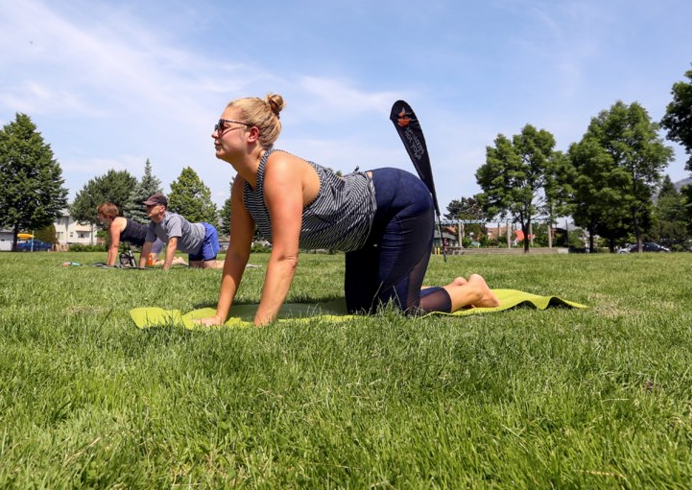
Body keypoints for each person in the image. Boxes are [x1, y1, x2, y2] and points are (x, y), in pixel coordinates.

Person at [198, 93, 500, 327]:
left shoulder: (279, 170)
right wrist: (219, 316)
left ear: (251, 133)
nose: (214, 133)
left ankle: (473, 290)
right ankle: (451, 287)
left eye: (222, 126)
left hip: (400, 204)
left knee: (398, 311)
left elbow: (285, 257)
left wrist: (260, 326)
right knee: (361, 307)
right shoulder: (242, 186)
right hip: (361, 234)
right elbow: (237, 253)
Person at [140, 193, 221, 270]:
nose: (147, 208)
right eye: (147, 206)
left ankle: (230, 264)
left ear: (162, 208)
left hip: (205, 235)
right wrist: (141, 267)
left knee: (210, 267)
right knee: (195, 268)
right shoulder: (153, 224)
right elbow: (147, 245)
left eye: (150, 206)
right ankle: (207, 262)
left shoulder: (173, 220)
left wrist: (165, 271)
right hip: (193, 246)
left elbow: (172, 245)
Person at [96, 202, 164, 267]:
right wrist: (108, 264)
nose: (97, 216)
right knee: (143, 264)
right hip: (147, 241)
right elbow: (111, 247)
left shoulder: (115, 224)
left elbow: (115, 247)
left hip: (155, 239)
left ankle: (173, 260)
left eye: (99, 214)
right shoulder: (111, 226)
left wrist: (111, 266)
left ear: (107, 215)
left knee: (150, 264)